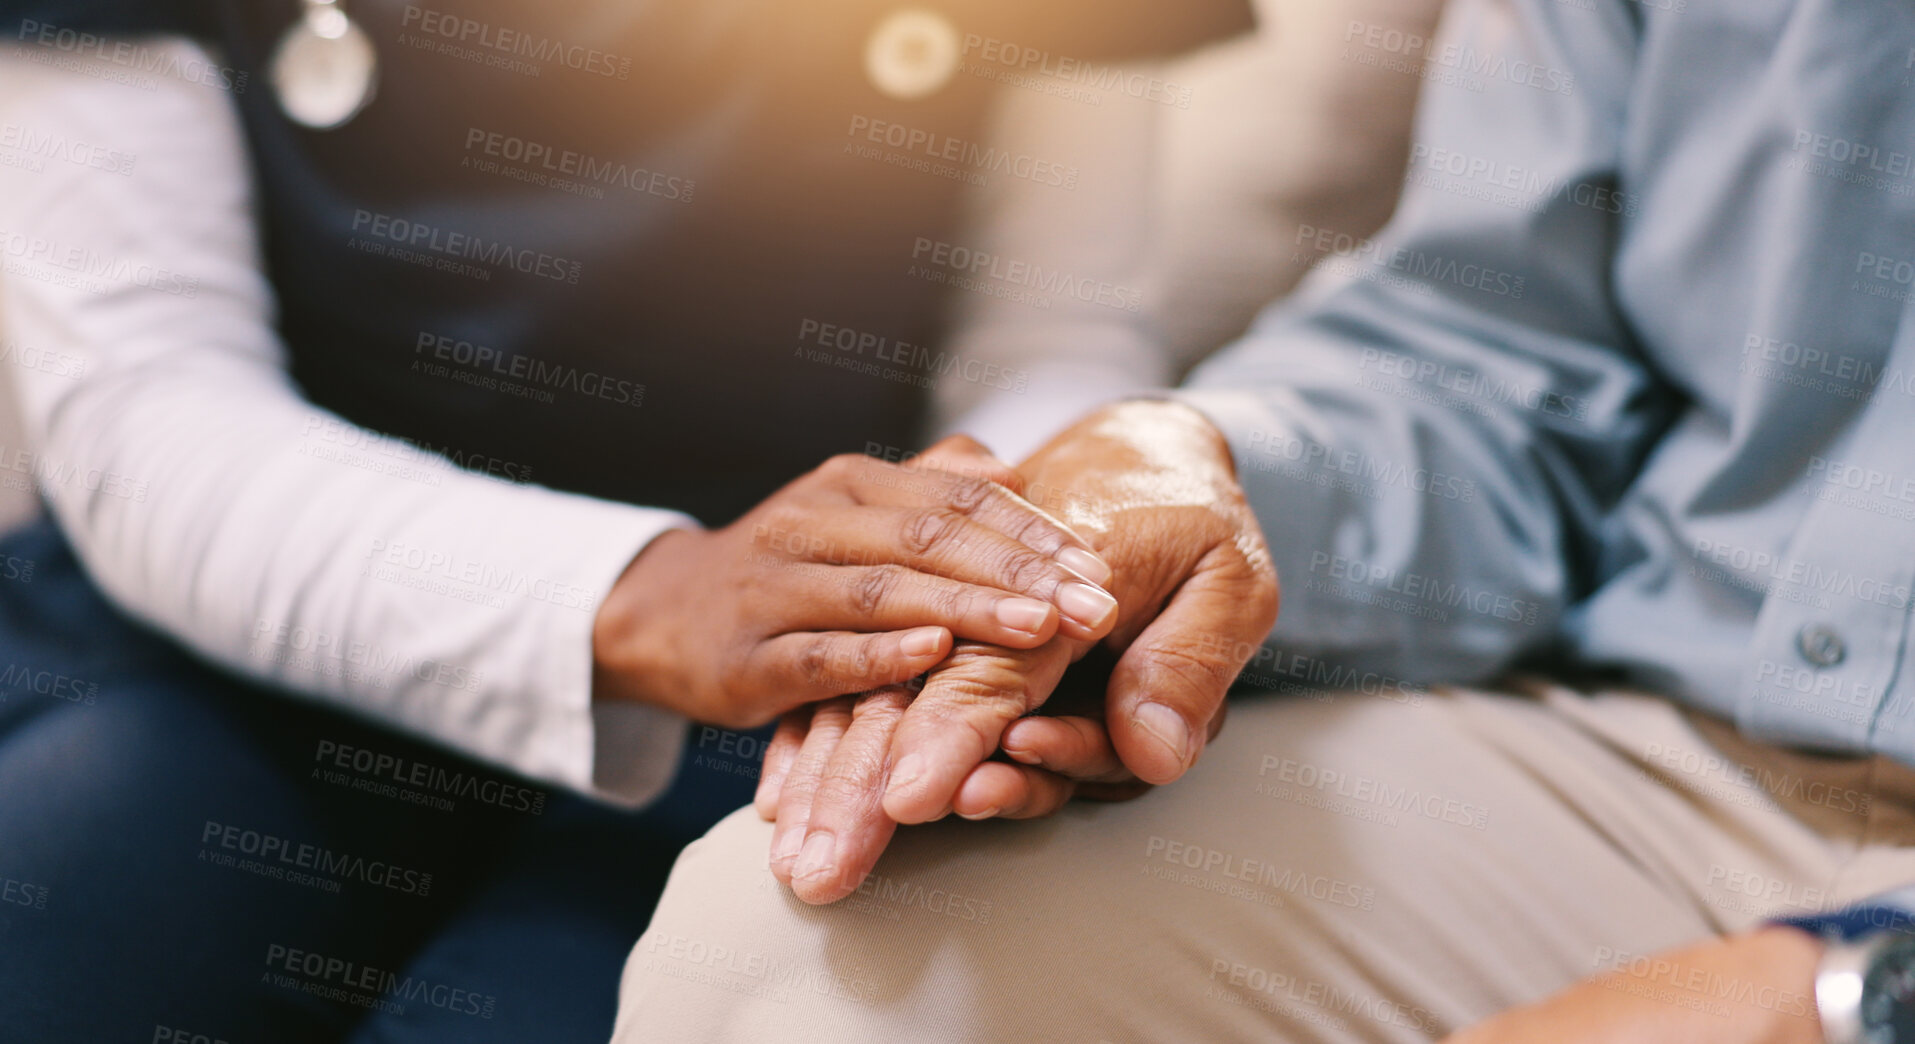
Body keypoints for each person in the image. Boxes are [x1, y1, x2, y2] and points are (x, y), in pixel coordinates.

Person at [616, 0, 1915, 1039]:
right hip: (1664, 745)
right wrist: (1191, 476)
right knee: (794, 962)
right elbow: (1502, 355)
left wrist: (1851, 994)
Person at [0, 1, 1260, 1040]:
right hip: (222, 643)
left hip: (784, 698)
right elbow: (151, 417)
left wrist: (996, 586)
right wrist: (647, 599)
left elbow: (1052, 335)